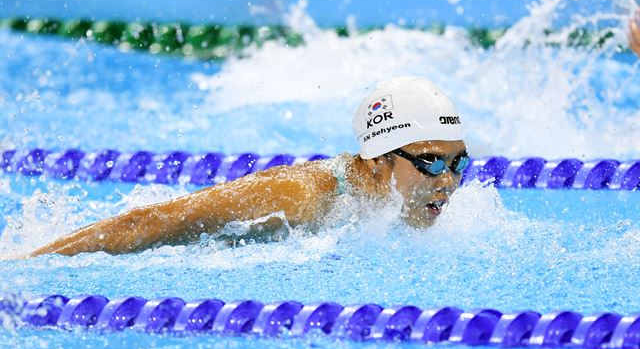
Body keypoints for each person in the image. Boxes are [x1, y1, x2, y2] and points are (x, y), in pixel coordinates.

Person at [27, 77, 469, 257]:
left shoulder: (418, 208)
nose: (448, 182)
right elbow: (155, 220)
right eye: (430, 163)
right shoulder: (300, 197)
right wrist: (26, 263)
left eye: (457, 162)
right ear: (377, 160)